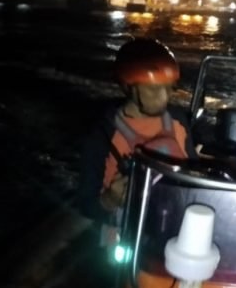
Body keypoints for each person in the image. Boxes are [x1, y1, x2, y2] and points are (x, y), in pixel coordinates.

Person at [78, 37, 198, 256]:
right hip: (123, 234)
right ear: (128, 87)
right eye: (153, 89)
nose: (164, 97)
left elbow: (194, 174)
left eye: (169, 87)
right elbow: (86, 203)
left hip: (174, 228)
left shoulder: (178, 121)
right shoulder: (103, 133)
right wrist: (109, 199)